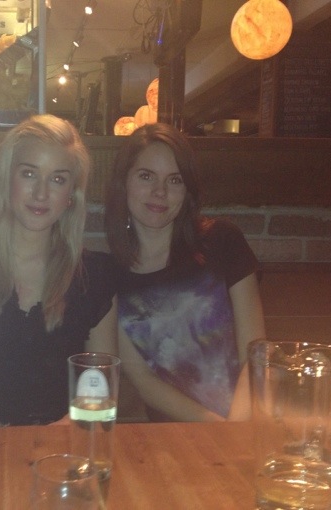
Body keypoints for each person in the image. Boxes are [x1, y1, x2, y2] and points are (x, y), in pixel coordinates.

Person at [0, 114, 118, 426]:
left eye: (58, 179)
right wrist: (14, 442)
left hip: (65, 446)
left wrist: (54, 441)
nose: (41, 193)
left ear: (72, 195)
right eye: (29, 174)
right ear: (8, 180)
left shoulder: (94, 276)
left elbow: (101, 391)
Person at [104, 123, 265, 422]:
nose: (160, 192)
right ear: (123, 183)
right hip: (173, 435)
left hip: (247, 423)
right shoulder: (108, 278)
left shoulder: (223, 241)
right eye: (146, 176)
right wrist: (216, 430)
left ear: (187, 191)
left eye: (175, 180)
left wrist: (236, 431)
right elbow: (144, 381)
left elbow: (254, 355)